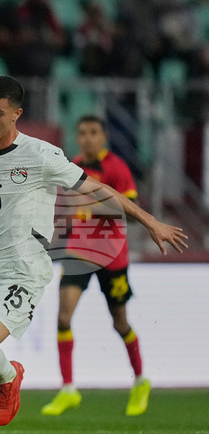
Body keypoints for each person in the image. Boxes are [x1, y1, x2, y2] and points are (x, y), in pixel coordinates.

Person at [0, 76, 187, 434]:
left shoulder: (41, 155)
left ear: (16, 114)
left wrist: (150, 221)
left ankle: (9, 375)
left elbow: (99, 191)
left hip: (21, 271)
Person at [43, 115, 149, 416]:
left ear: (103, 137)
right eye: (82, 133)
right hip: (79, 252)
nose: (87, 138)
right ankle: (68, 389)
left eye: (93, 133)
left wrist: (93, 205)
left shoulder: (116, 168)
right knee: (63, 318)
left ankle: (140, 380)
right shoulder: (73, 167)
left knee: (120, 323)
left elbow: (131, 212)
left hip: (113, 256)